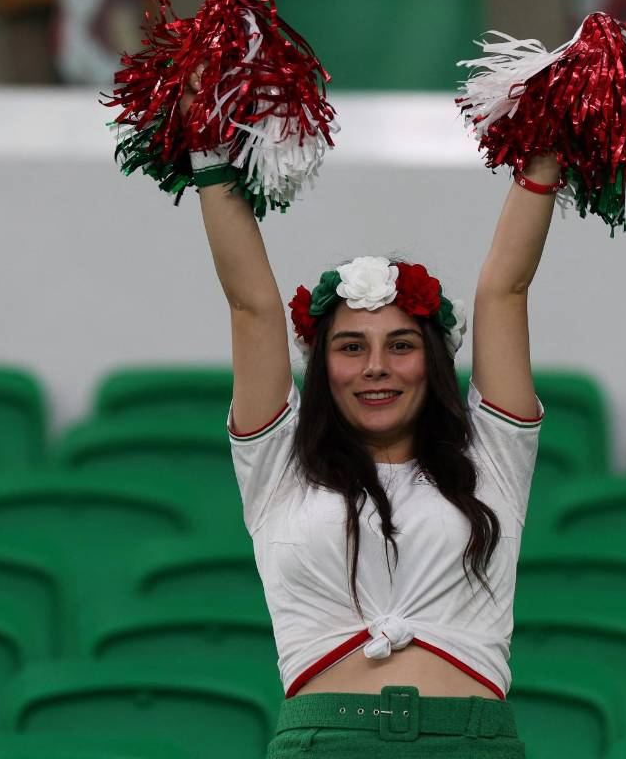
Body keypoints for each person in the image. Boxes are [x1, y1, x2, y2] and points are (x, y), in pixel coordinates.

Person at [189, 69, 559, 754]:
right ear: (322, 366)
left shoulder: (493, 461)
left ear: (433, 362)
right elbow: (252, 305)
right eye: (351, 347)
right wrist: (206, 149)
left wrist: (546, 151)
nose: (376, 367)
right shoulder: (277, 466)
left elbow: (505, 290)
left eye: (401, 346)